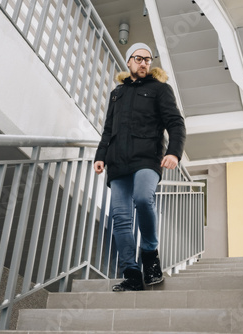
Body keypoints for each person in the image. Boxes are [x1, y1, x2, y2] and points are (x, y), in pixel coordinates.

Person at [94, 42, 186, 291]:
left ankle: (149, 254)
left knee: (143, 199)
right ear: (129, 62)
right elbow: (108, 130)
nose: (144, 62)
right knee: (121, 218)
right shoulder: (117, 93)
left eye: (148, 59)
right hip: (117, 163)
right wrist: (100, 156)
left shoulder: (160, 89)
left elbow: (176, 123)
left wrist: (174, 153)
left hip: (147, 158)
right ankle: (131, 272)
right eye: (138, 58)